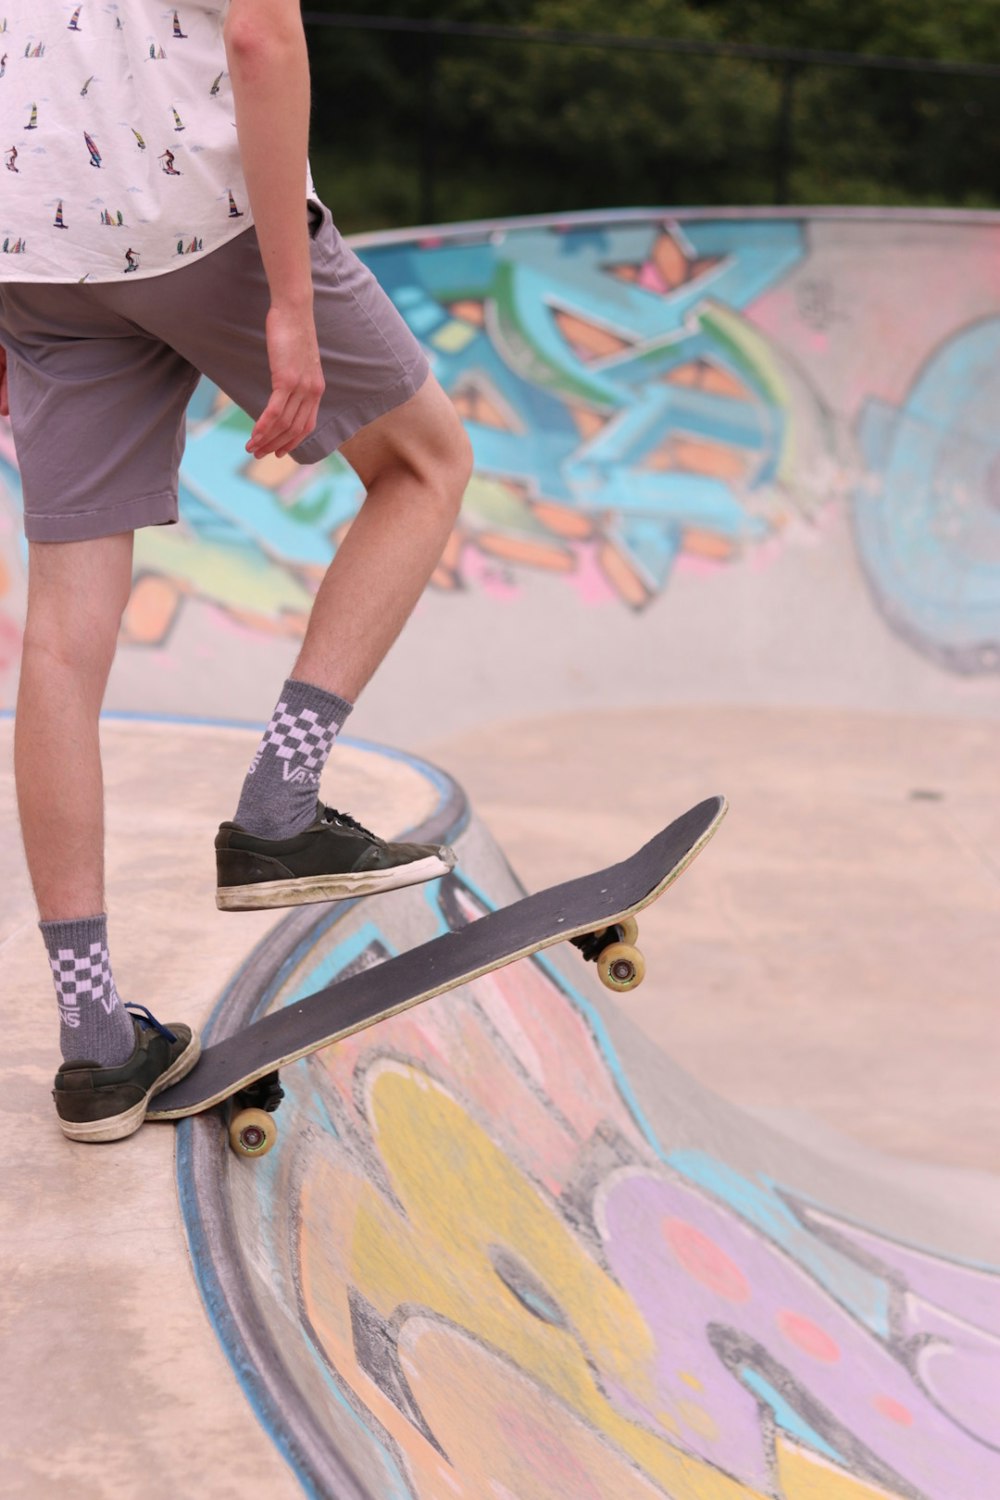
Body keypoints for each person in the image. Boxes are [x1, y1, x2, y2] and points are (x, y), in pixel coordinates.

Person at [0, 0, 473, 1143]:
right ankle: (279, 807)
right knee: (425, 466)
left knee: (64, 635)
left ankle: (96, 1047)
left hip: (38, 251)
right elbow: (262, 35)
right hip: (194, 225)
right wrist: (291, 305)